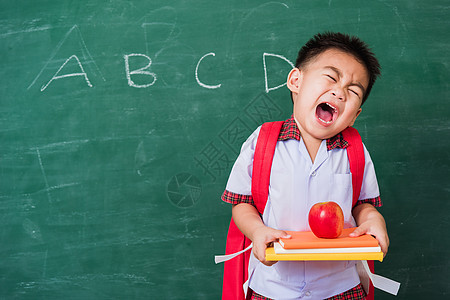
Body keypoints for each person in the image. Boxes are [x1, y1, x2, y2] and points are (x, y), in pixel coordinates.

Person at [221, 32, 389, 300]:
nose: (339, 92)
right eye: (331, 78)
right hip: (272, 287)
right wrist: (257, 230)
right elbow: (242, 203)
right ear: (295, 81)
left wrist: (373, 219)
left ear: (355, 115)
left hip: (340, 287)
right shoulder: (262, 141)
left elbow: (361, 204)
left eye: (353, 90)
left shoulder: (355, 149)